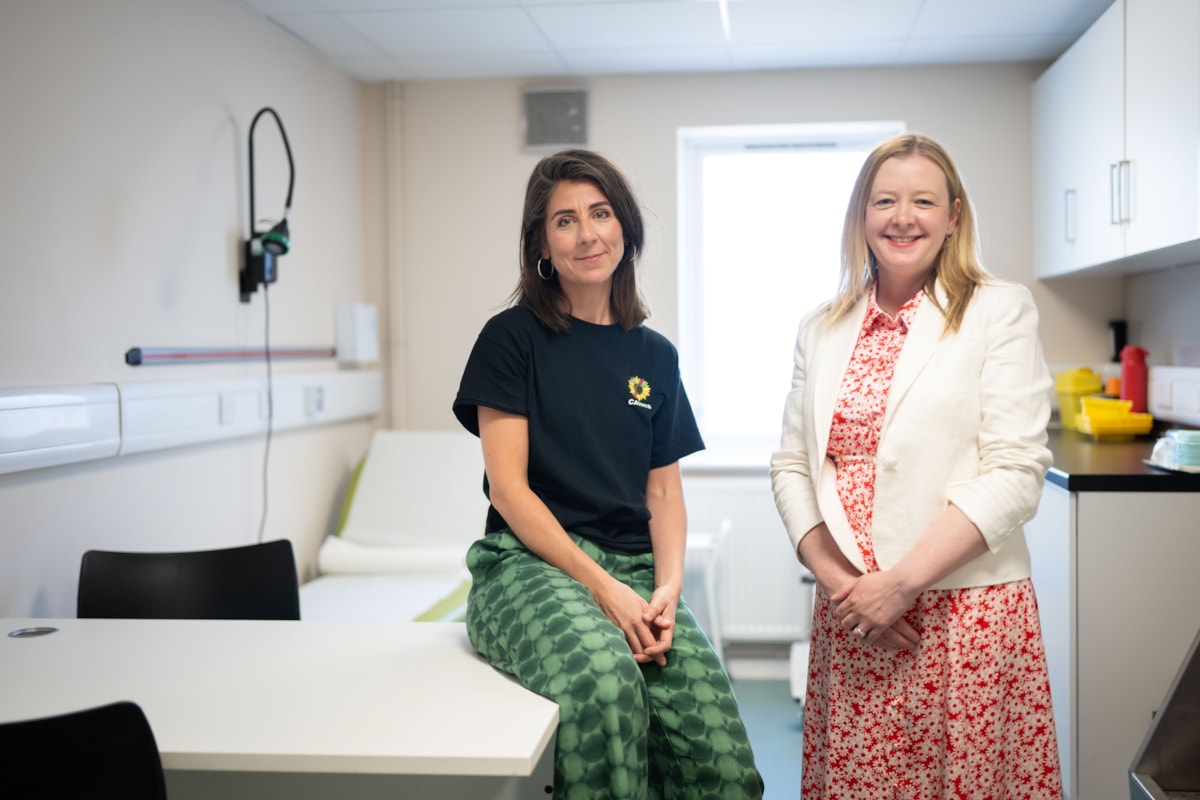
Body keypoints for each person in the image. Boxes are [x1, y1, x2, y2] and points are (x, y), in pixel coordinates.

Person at [453, 148, 764, 800]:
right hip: (527, 565)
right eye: (564, 221)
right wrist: (602, 587)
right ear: (542, 244)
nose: (586, 234)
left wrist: (669, 588)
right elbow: (509, 490)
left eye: (600, 213)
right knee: (606, 685)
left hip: (636, 571)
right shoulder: (511, 339)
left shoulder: (655, 355)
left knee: (722, 756)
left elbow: (664, 492)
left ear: (626, 226)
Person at [770, 133, 1063, 799]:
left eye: (924, 201)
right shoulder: (821, 327)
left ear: (953, 215)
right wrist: (845, 586)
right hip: (853, 616)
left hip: (965, 616)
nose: (903, 217)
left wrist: (898, 585)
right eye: (885, 201)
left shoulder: (998, 309)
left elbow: (1017, 471)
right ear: (861, 215)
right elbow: (791, 466)